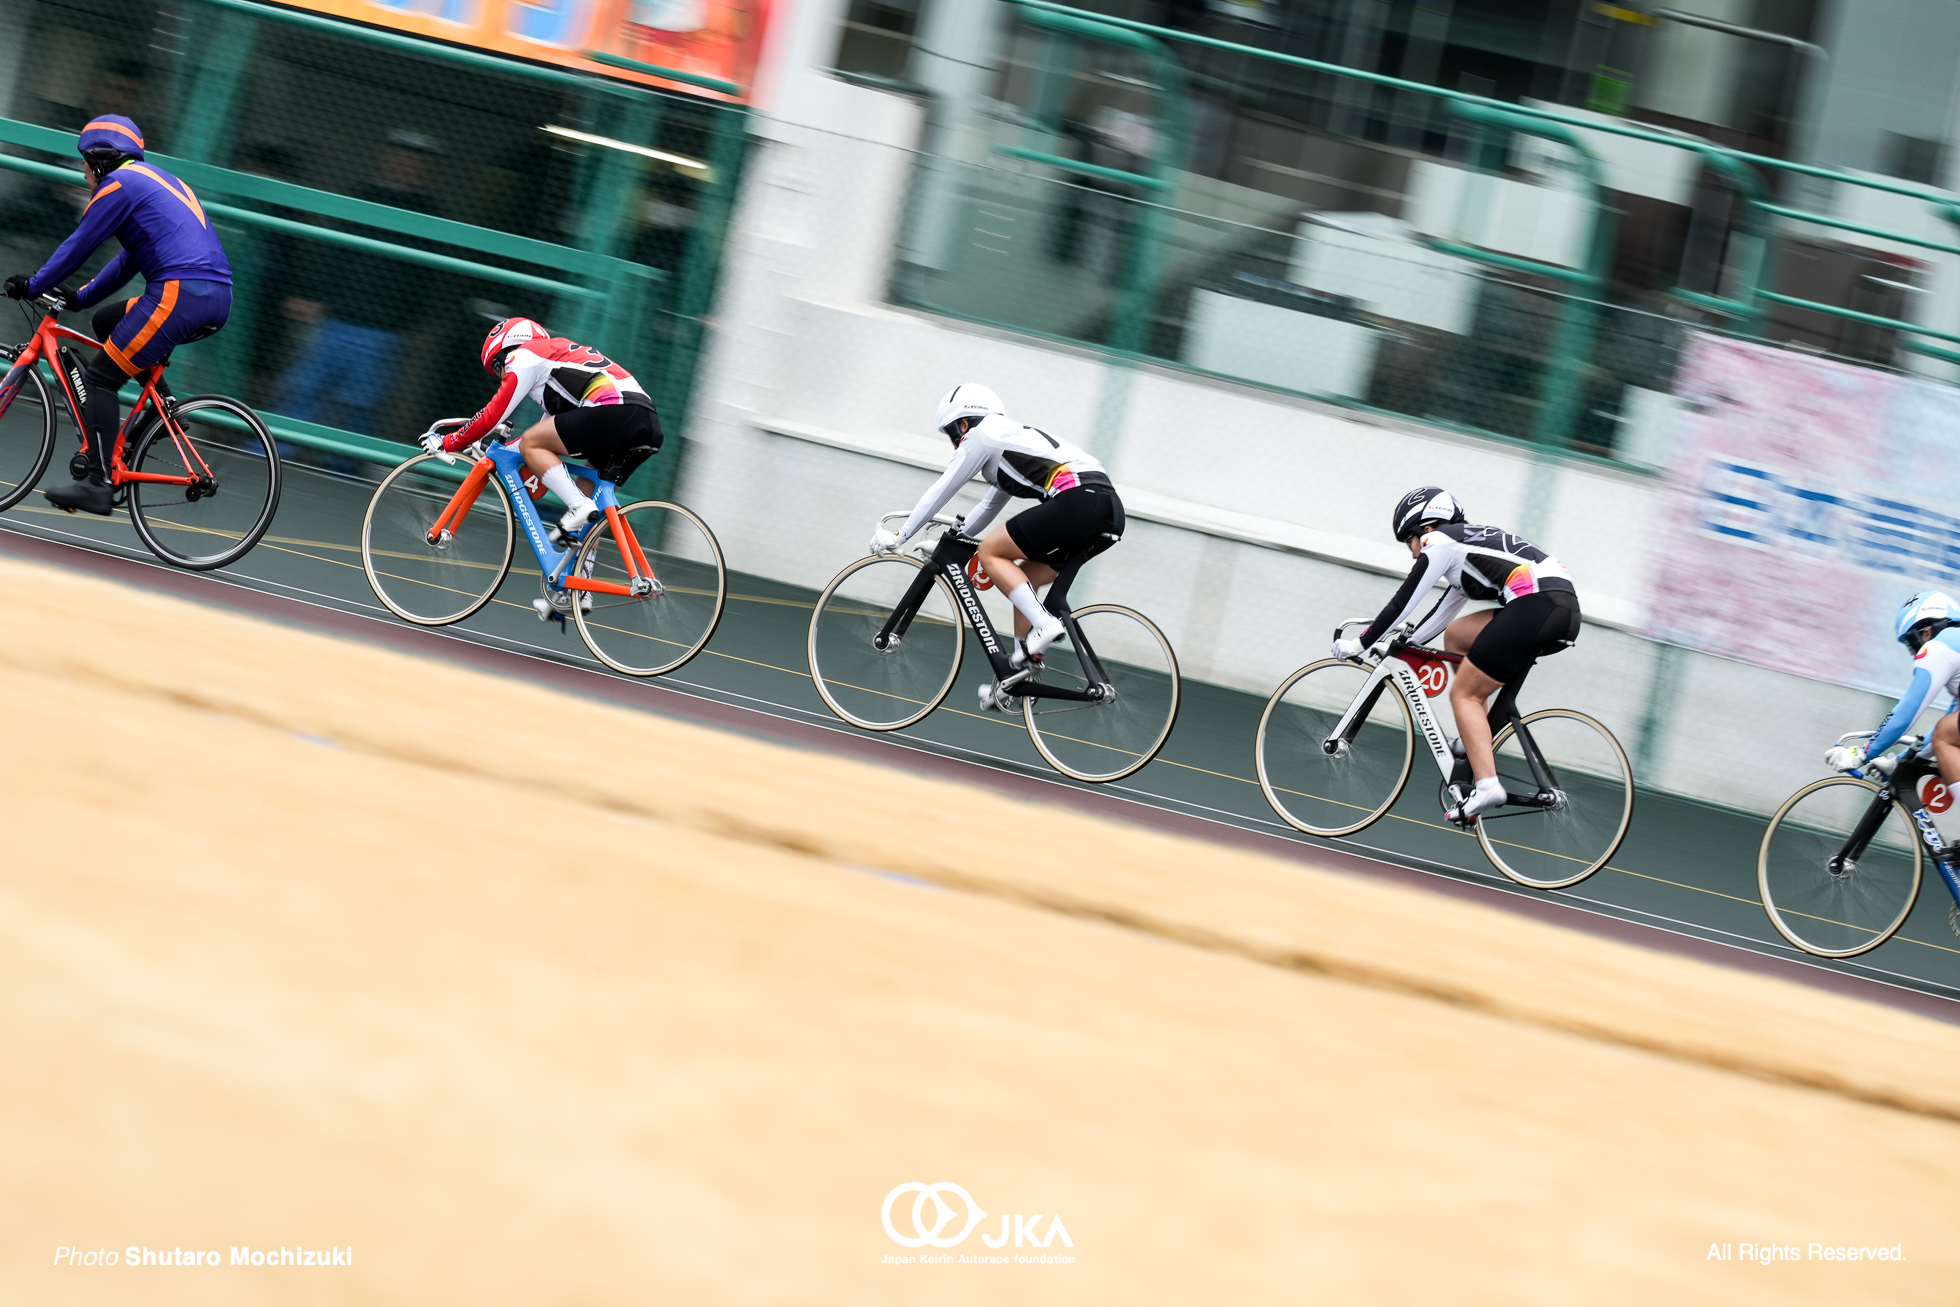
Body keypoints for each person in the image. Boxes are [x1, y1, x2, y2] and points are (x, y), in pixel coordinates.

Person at [4, 115, 232, 515]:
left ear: (101, 160)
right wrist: (80, 298)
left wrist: (35, 284)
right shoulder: (153, 181)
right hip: (212, 297)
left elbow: (80, 243)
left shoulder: (119, 185)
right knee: (105, 322)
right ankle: (162, 409)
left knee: (101, 377)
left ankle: (97, 484)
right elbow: (128, 261)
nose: (84, 174)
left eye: (84, 164)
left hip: (179, 295)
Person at [871, 383, 1125, 712]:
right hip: (1108, 511)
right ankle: (1018, 671)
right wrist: (954, 537)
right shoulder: (1007, 443)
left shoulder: (982, 434)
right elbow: (988, 508)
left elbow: (943, 488)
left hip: (1079, 500)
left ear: (963, 423)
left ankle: (1046, 627)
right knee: (1025, 578)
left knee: (991, 552)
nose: (956, 442)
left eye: (952, 433)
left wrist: (901, 534)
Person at [1335, 487, 1581, 823]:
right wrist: (1402, 645)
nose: (1413, 554)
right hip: (1559, 609)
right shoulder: (1466, 549)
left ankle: (1488, 786)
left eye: (1410, 541)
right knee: (1458, 636)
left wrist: (1359, 644)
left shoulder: (1441, 542)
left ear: (1425, 528)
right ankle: (1472, 740)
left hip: (1536, 607)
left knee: (1463, 693)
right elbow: (1440, 618)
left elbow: (1402, 602)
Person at [425, 315, 662, 548]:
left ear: (510, 347)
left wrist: (448, 442)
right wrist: (494, 451)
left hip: (613, 411)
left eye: (498, 365)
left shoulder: (524, 356)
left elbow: (494, 414)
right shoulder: (556, 364)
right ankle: (581, 584)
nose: (501, 374)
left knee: (540, 454)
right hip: (646, 422)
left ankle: (579, 506)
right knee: (588, 506)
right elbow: (542, 435)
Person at [1825, 592, 1960, 883]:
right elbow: (1942, 731)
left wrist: (1862, 754)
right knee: (1948, 731)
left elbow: (1905, 714)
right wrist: (1898, 761)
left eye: (1912, 642)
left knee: (1947, 734)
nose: (1914, 652)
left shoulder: (1939, 646)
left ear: (1926, 630)